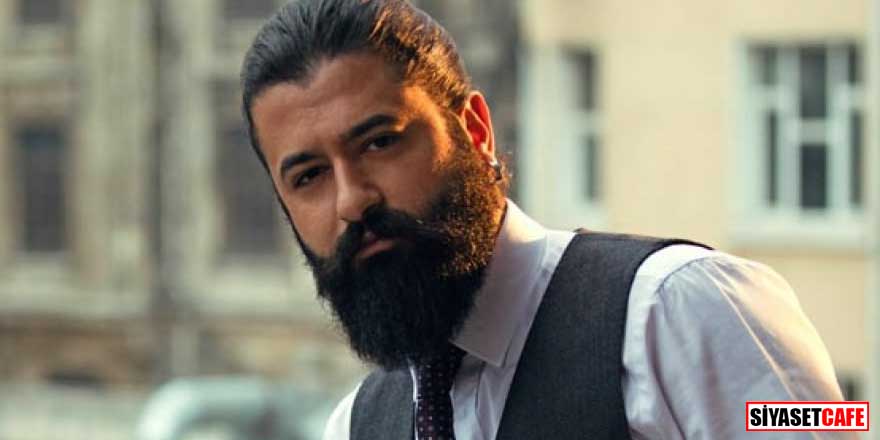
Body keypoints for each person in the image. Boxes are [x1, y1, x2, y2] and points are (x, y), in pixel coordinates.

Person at [239, 1, 847, 438]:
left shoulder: (683, 307)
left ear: (474, 130)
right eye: (309, 176)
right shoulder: (356, 424)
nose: (352, 200)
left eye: (380, 142)